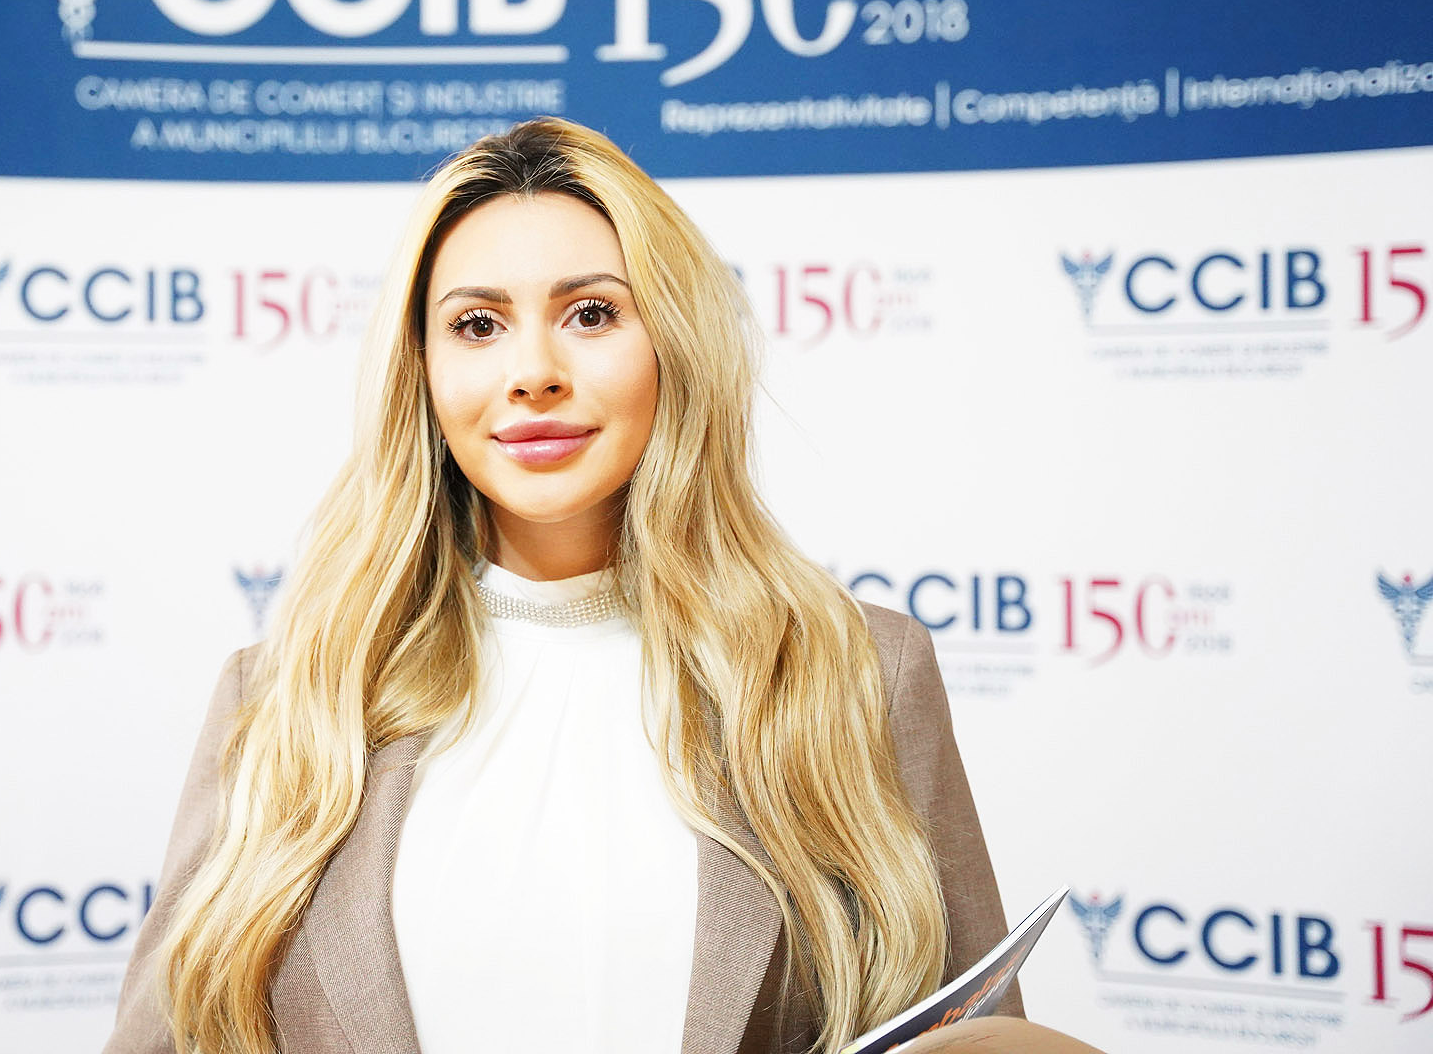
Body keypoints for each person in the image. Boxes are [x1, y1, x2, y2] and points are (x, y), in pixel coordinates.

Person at [104, 118, 1101, 1054]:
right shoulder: (283, 696)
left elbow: (978, 1043)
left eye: (591, 313)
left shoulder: (860, 672)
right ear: (423, 369)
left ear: (672, 341)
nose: (532, 371)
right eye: (478, 324)